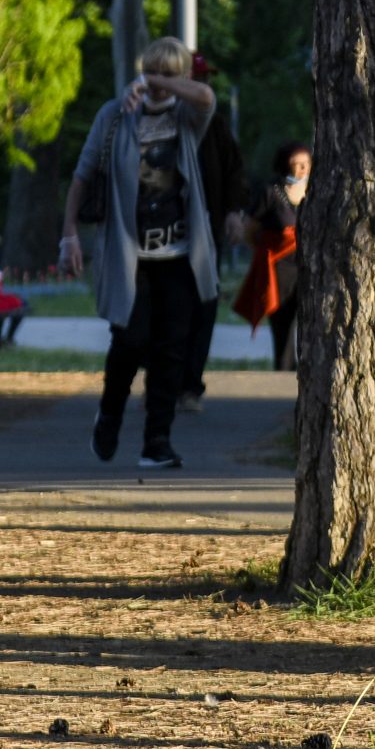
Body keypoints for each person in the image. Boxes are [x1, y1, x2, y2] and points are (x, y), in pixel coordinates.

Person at [62, 36, 219, 468]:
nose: (158, 85)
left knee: (171, 349)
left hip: (178, 255)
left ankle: (157, 442)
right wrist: (69, 234)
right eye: (152, 72)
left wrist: (159, 81)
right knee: (130, 342)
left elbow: (206, 95)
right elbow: (83, 174)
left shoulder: (187, 117)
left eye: (170, 75)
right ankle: (109, 415)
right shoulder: (116, 115)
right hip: (129, 254)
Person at [180, 51, 245, 413]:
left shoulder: (216, 125)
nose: (203, 87)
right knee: (168, 312)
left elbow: (235, 170)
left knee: (203, 307)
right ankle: (165, 382)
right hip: (166, 233)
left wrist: (234, 213)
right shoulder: (162, 121)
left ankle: (190, 386)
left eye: (205, 80)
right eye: (195, 80)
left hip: (207, 231)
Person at [233, 142, 311, 371]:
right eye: (295, 165)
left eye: (305, 165)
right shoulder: (271, 192)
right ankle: (284, 373)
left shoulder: (319, 189)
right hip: (280, 270)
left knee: (309, 322)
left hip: (309, 269)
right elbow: (251, 229)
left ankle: (307, 370)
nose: (301, 170)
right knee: (283, 326)